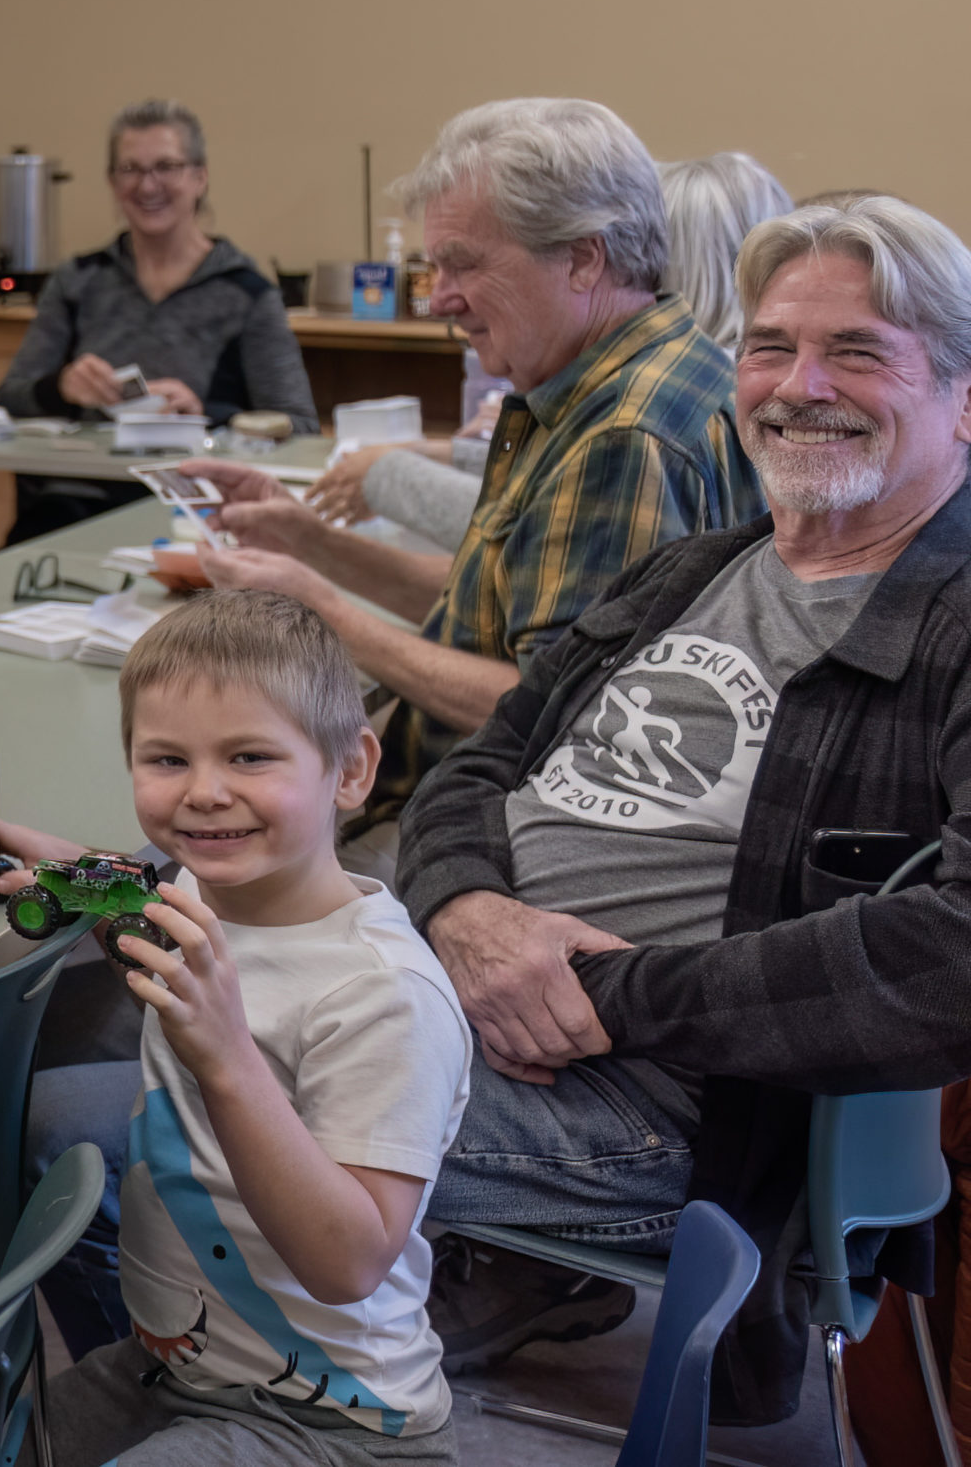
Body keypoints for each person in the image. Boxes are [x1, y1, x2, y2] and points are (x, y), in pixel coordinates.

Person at [398, 194, 971, 1422]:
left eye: (856, 351)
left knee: (118, 1109)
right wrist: (463, 911)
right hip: (462, 994)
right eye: (769, 346)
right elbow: (476, 763)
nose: (794, 384)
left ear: (964, 398)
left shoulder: (954, 620)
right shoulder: (693, 569)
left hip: (664, 1115)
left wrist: (597, 996)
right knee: (129, 1014)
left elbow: (956, 951)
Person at [176, 100, 766, 881]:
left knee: (205, 868)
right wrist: (305, 538)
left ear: (584, 260)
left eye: (464, 264)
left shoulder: (623, 435)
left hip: (499, 843)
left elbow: (556, 713)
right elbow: (506, 604)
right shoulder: (610, 375)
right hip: (474, 808)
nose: (440, 297)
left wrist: (325, 611)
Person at [0, 592, 469, 1463]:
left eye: (249, 756)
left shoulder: (384, 996)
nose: (203, 793)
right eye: (166, 759)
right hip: (180, 1373)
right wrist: (51, 861)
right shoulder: (208, 894)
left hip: (338, 1428)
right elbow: (142, 901)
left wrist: (228, 1057)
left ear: (350, 770)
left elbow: (349, 1265)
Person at [309, 149, 794, 549]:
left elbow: (548, 531)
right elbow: (559, 472)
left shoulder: (665, 404)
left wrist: (390, 476)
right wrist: (427, 453)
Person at [0, 100, 316, 541]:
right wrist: (62, 388)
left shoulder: (247, 293)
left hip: (192, 507)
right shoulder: (78, 280)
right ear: (112, 182)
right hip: (78, 498)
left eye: (166, 166)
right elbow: (11, 395)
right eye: (130, 169)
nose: (148, 185)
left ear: (199, 178)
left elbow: (298, 425)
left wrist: (208, 417)